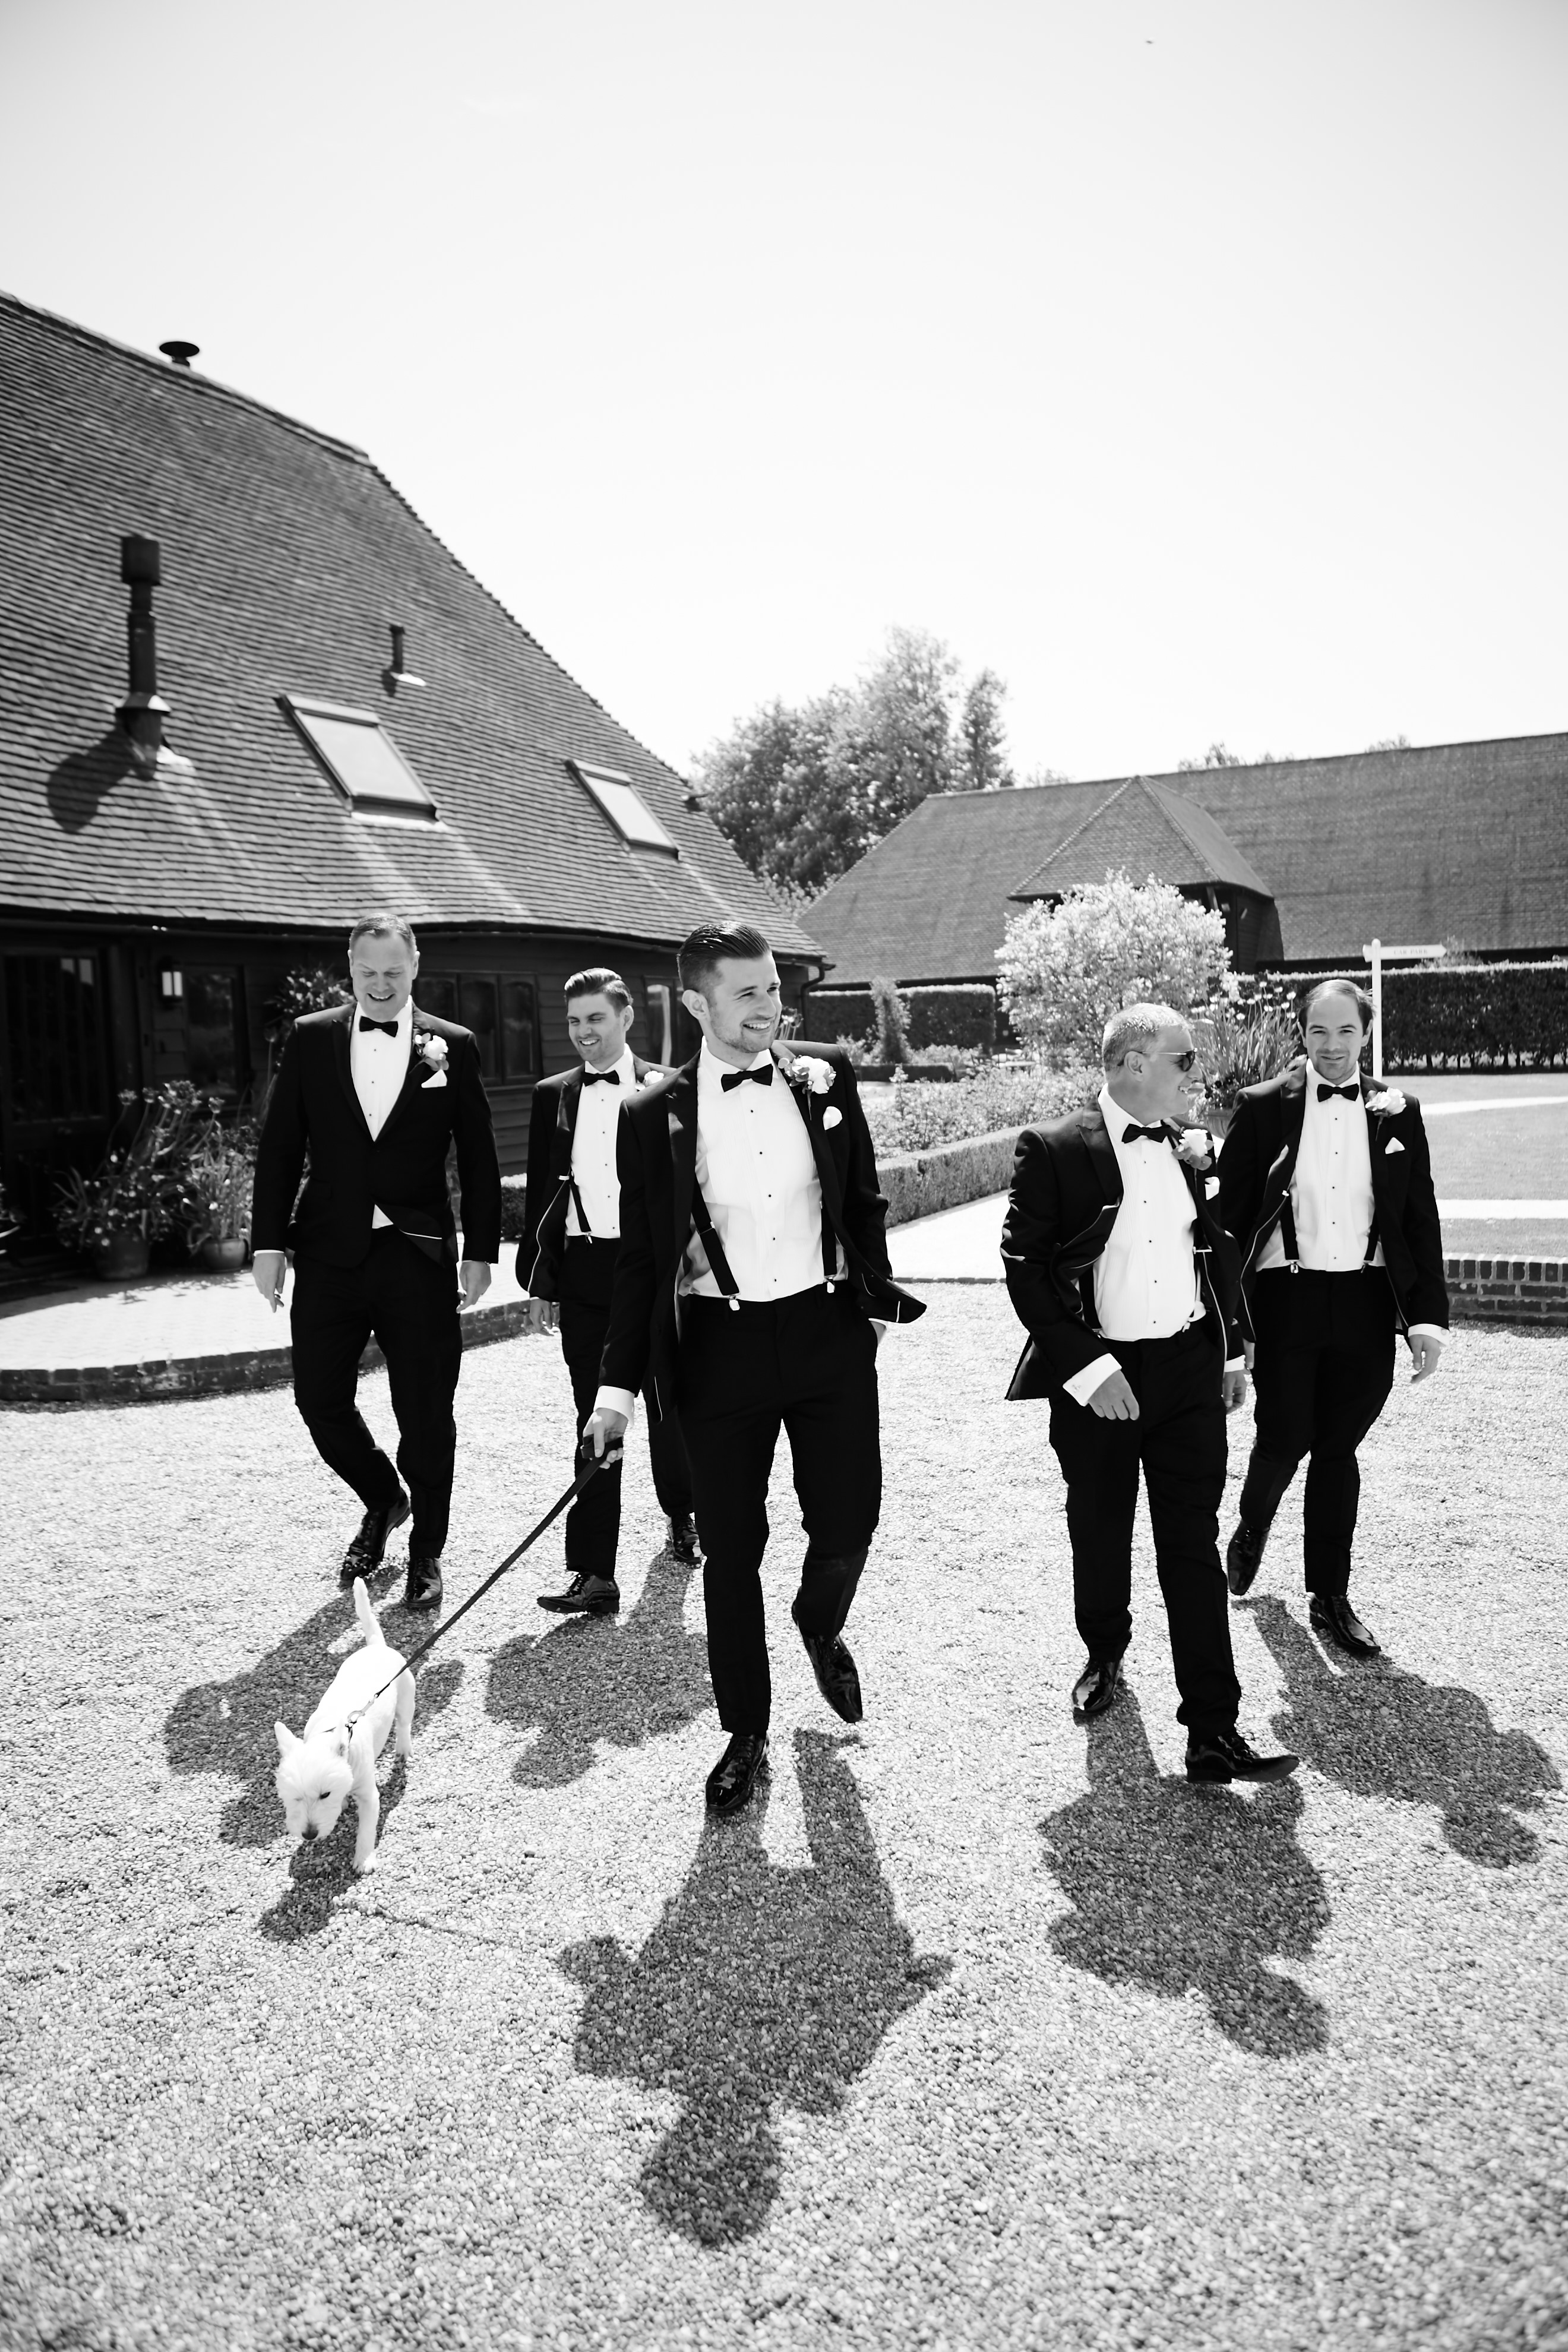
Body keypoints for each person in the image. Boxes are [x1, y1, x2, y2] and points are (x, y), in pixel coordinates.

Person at [580, 921, 924, 1818]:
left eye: (773, 988)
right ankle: (745, 1731)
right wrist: (614, 1396)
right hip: (718, 1350)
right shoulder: (649, 1115)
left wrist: (870, 1308)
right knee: (732, 1549)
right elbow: (641, 1265)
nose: (769, 1006)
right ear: (696, 1003)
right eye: (747, 993)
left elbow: (864, 1199)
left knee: (851, 1518)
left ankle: (818, 1619)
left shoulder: (825, 1075)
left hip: (826, 1335)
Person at [1001, 1002, 1297, 1784]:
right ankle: (1104, 1651)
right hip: (1102, 1377)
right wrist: (1089, 1371)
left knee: (1191, 1546)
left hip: (1189, 1373)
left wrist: (1229, 1354)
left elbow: (1215, 1256)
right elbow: (1025, 1270)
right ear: (1134, 1062)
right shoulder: (1055, 1148)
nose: (1197, 1073)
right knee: (1100, 1528)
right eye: (1184, 1058)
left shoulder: (1192, 1147)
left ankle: (1213, 1729)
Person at [251, 912, 502, 1612]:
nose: (382, 984)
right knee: (318, 1399)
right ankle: (384, 1497)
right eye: (368, 972)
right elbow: (280, 1147)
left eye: (394, 972)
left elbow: (480, 1158)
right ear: (350, 967)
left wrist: (482, 1251)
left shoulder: (452, 1046)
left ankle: (428, 1551)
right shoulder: (311, 1038)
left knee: (426, 1413)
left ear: (415, 966)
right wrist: (268, 1245)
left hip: (416, 1255)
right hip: (328, 1254)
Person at [1217, 976, 1449, 1657]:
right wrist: (1232, 1327)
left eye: (1346, 1030)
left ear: (1366, 1033)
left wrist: (1426, 1321)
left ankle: (1331, 1596)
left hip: (1366, 1303)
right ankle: (1254, 1523)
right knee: (1285, 1435)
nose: (1332, 1045)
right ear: (1302, 1032)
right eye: (1319, 1030)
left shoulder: (1398, 1112)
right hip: (1286, 1300)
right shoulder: (1263, 1107)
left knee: (1338, 1449)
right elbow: (1229, 1222)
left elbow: (1419, 1217)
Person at [519, 966, 698, 1615]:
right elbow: (542, 1194)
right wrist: (541, 1279)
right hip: (587, 1273)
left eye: (595, 1018)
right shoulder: (552, 1095)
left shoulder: (668, 1089)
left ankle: (683, 1514)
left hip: (656, 1271)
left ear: (625, 1017)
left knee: (666, 1405)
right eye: (573, 1021)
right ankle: (595, 1573)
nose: (583, 1032)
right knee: (594, 1416)